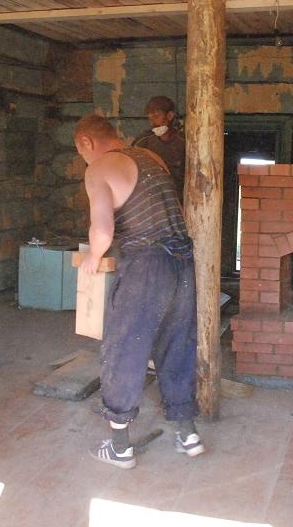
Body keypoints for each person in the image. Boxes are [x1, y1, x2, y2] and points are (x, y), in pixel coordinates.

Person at [74, 113, 203, 469]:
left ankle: (119, 447)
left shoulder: (99, 168)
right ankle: (187, 433)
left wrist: (92, 258)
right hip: (182, 259)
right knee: (177, 342)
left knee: (125, 347)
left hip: (146, 264)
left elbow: (102, 230)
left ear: (86, 142)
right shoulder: (153, 158)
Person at [132, 96, 186, 203]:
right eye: (150, 118)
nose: (152, 123)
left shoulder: (184, 142)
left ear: (170, 116)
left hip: (180, 199)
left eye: (156, 117)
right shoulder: (142, 142)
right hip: (153, 200)